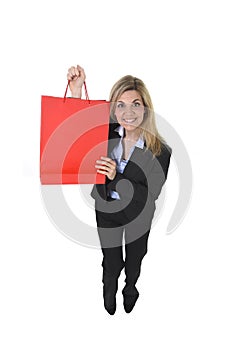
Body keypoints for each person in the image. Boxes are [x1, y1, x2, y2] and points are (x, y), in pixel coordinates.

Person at [67, 65, 172, 315]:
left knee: (134, 259)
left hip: (138, 215)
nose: (129, 112)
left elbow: (147, 198)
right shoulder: (104, 135)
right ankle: (109, 287)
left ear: (146, 108)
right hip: (107, 209)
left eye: (136, 104)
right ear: (114, 108)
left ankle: (131, 287)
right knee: (111, 260)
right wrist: (76, 91)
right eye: (121, 105)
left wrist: (115, 178)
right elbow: (75, 131)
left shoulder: (161, 151)